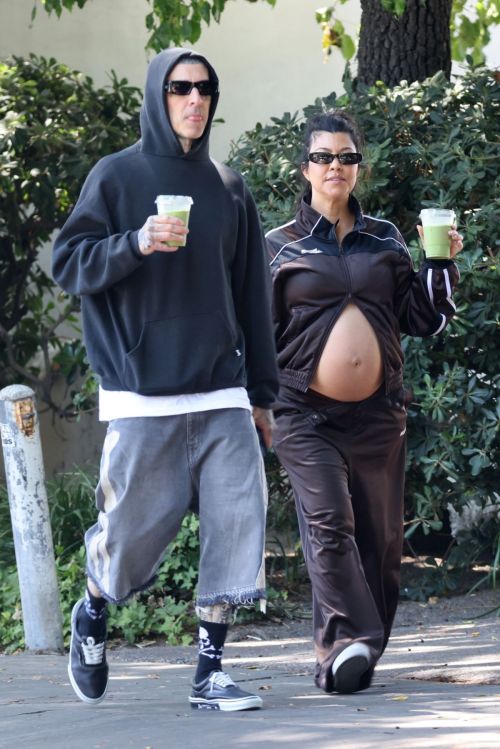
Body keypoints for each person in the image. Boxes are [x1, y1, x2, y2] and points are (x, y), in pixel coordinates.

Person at [52, 47, 278, 712]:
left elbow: (251, 297)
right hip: (143, 395)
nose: (194, 99)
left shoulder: (229, 187)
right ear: (159, 94)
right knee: (131, 537)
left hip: (222, 392)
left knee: (241, 518)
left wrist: (262, 394)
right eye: (181, 87)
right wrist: (135, 242)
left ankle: (209, 673)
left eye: (205, 88)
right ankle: (93, 608)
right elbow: (69, 263)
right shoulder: (117, 177)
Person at [265, 110, 463, 695]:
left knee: (382, 542)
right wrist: (255, 403)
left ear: (358, 167)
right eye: (324, 157)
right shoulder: (279, 247)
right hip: (303, 412)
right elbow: (254, 332)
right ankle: (346, 642)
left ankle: (355, 652)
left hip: (378, 415)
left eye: (346, 157)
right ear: (306, 168)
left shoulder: (385, 238)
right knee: (329, 521)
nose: (335, 166)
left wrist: (440, 263)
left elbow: (422, 320)